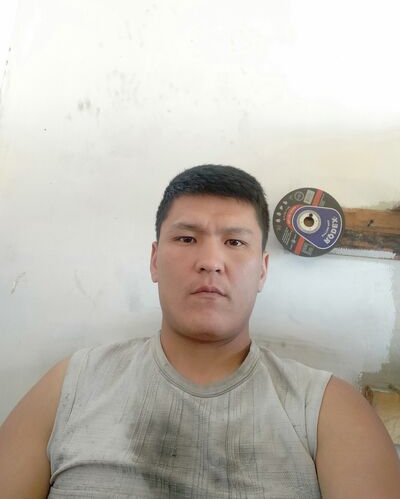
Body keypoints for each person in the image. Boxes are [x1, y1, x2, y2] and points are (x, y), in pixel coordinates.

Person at [0, 164, 399, 499]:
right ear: (155, 261)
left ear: (262, 271)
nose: (211, 261)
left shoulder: (327, 409)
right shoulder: (73, 384)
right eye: (187, 238)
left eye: (234, 242)